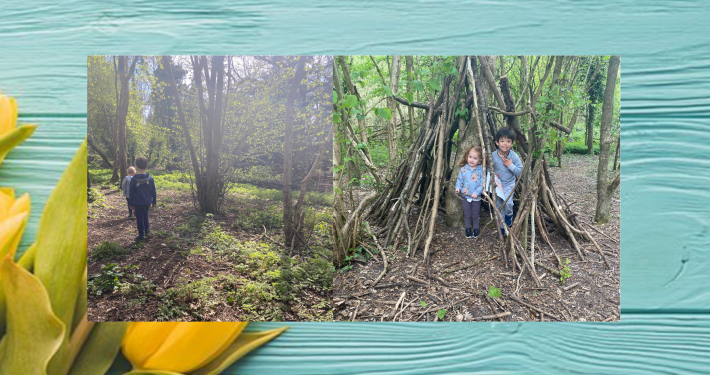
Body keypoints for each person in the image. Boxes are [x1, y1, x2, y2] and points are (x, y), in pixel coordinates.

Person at [491, 127, 523, 237]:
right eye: (502, 141)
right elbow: (488, 170)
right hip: (497, 186)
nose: (505, 144)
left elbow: (520, 172)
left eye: (508, 141)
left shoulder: (513, 156)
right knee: (500, 206)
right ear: (497, 142)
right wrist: (492, 177)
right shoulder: (493, 156)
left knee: (508, 204)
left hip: (509, 185)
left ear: (512, 143)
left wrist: (511, 166)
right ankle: (502, 228)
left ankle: (509, 216)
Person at [455, 146, 484, 239]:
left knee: (475, 214)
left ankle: (476, 228)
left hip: (476, 197)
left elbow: (482, 183)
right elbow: (460, 180)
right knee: (467, 214)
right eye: (470, 157)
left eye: (475, 158)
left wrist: (476, 192)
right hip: (466, 196)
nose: (472, 160)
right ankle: (468, 229)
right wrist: (458, 187)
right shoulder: (463, 169)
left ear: (480, 160)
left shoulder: (481, 170)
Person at [129, 156, 157, 241]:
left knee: (139, 218)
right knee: (146, 215)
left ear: (136, 166)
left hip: (138, 203)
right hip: (147, 202)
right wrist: (154, 201)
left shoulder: (134, 179)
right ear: (146, 167)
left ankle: (141, 235)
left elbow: (131, 192)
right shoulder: (150, 178)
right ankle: (147, 230)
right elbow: (154, 191)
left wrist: (131, 203)